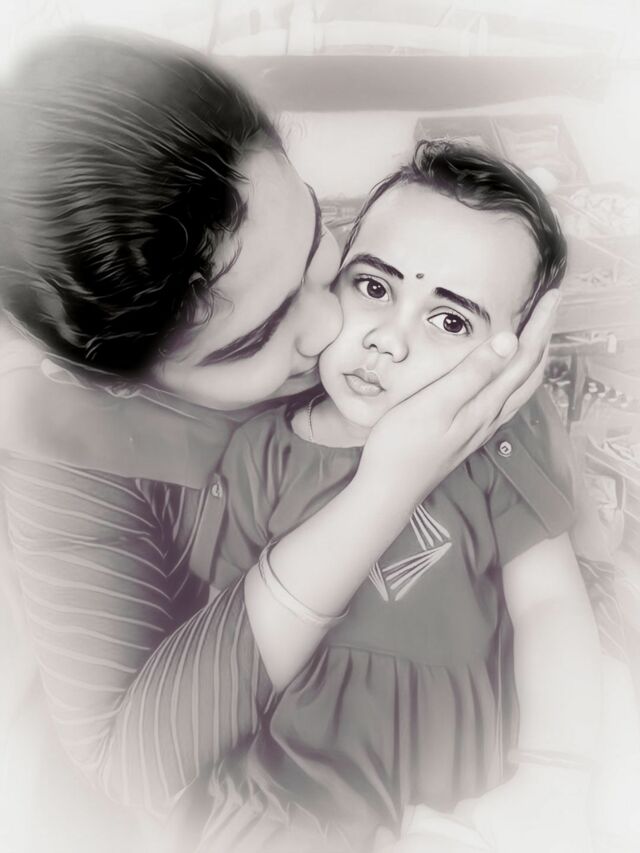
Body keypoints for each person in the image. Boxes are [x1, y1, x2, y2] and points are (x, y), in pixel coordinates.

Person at [0, 32, 559, 852]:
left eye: (317, 250)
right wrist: (381, 491)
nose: (333, 325)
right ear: (122, 383)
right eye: (256, 339)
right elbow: (132, 759)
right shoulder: (65, 443)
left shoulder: (343, 275)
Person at [202, 140, 602, 853]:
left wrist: (554, 774)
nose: (388, 340)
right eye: (374, 287)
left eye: (450, 321)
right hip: (289, 792)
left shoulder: (498, 444)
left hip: (455, 797)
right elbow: (228, 652)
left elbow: (549, 605)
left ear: (510, 359)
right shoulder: (261, 451)